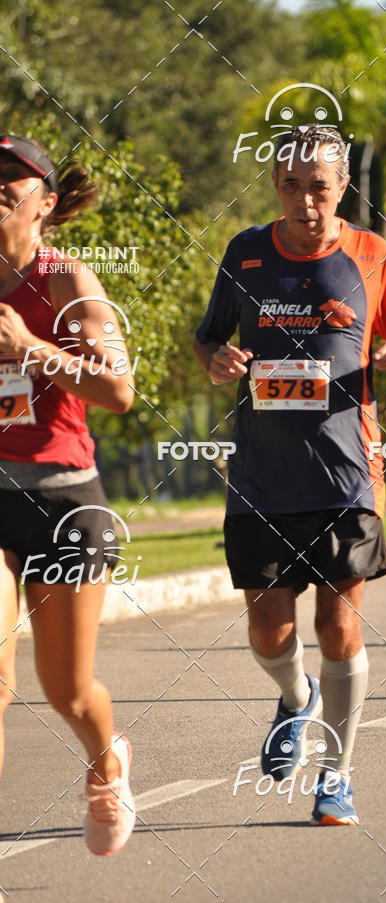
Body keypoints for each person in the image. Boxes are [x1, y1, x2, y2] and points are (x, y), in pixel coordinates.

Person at [193, 124, 386, 825]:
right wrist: (214, 359)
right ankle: (295, 694)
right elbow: (209, 335)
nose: (307, 202)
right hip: (261, 476)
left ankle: (336, 774)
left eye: (322, 188)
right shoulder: (244, 254)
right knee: (269, 633)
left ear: (342, 189)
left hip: (347, 474)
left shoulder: (373, 255)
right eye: (294, 187)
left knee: (339, 624)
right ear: (276, 186)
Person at [0, 135, 135, 854]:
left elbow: (118, 389)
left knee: (69, 692)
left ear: (46, 204)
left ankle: (106, 758)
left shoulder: (68, 282)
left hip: (62, 502)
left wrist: (29, 348)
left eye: (13, 179)